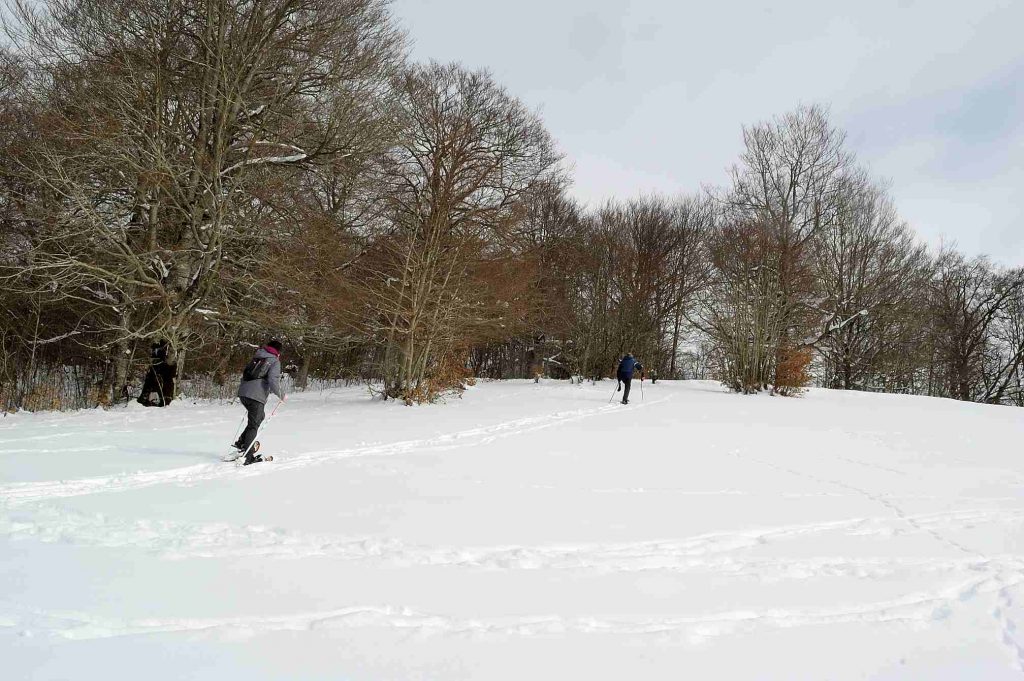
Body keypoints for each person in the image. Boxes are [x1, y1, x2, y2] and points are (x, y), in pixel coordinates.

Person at [230, 339, 286, 465]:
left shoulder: (258, 356)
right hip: (256, 395)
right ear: (278, 351)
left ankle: (242, 443)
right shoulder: (274, 361)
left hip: (244, 392)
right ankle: (247, 455)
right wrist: (281, 395)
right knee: (254, 424)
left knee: (259, 417)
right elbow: (273, 380)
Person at [137, 339, 176, 406]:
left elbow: (170, 360)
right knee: (152, 381)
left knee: (163, 383)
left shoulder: (168, 347)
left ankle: (164, 399)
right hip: (158, 366)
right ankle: (146, 397)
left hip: (164, 367)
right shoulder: (157, 347)